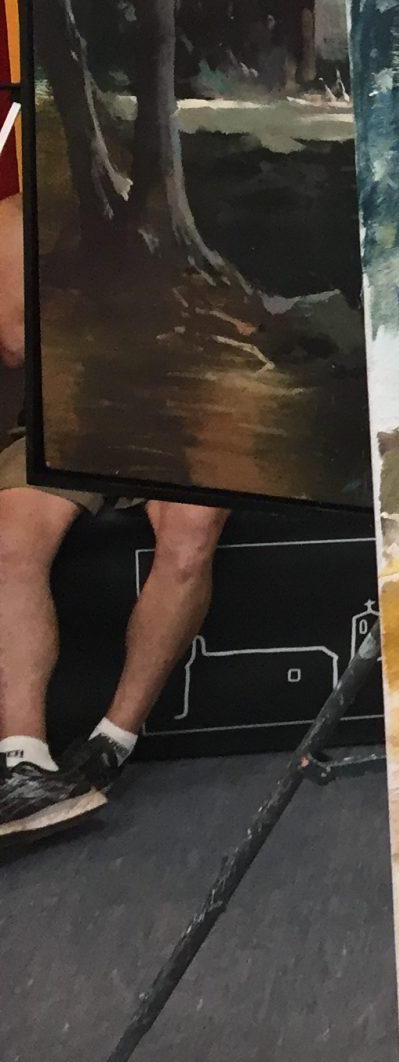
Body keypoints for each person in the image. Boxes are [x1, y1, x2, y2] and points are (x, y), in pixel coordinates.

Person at [0, 175, 231, 840]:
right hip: (62, 418)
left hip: (180, 413)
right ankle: (22, 760)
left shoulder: (191, 203)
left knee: (191, 534)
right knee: (11, 544)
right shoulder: (15, 218)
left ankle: (112, 740)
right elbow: (16, 339)